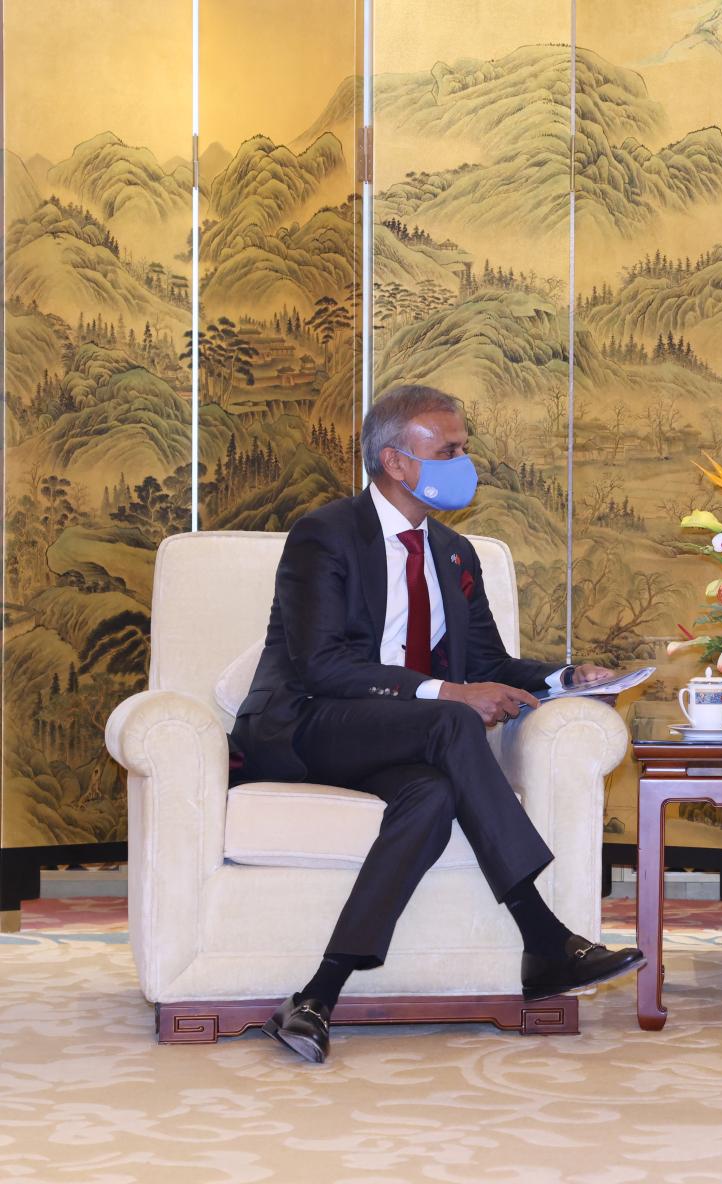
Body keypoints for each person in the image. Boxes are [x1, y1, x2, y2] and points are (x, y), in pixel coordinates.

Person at [231, 384, 644, 1064]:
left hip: (397, 735)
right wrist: (448, 691)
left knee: (431, 796)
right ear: (396, 462)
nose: (465, 459)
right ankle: (542, 938)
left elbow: (489, 662)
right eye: (449, 450)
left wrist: (566, 678)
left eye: (463, 447)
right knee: (453, 722)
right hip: (307, 727)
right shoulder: (325, 534)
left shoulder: (455, 552)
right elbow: (319, 665)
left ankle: (315, 997)